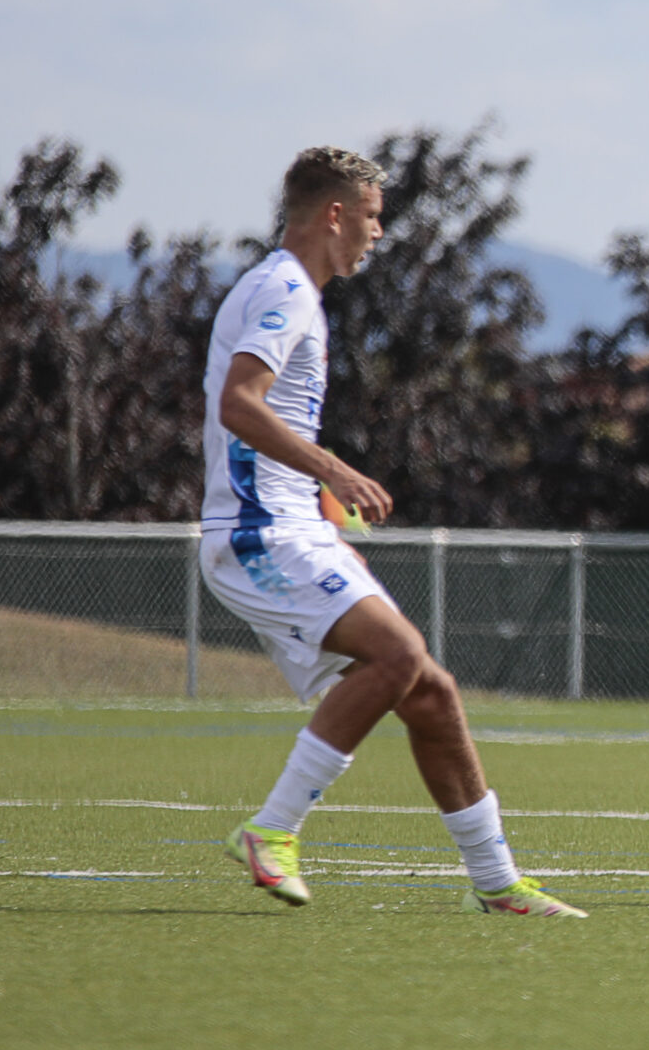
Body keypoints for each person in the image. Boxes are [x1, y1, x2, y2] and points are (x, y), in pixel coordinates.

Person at [201, 146, 584, 918]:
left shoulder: (287, 290)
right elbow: (240, 404)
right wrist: (335, 472)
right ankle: (272, 829)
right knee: (402, 655)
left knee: (431, 691)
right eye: (373, 216)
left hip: (291, 528)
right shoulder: (285, 291)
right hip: (258, 535)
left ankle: (497, 880)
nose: (380, 232)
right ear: (335, 214)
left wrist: (318, 508)